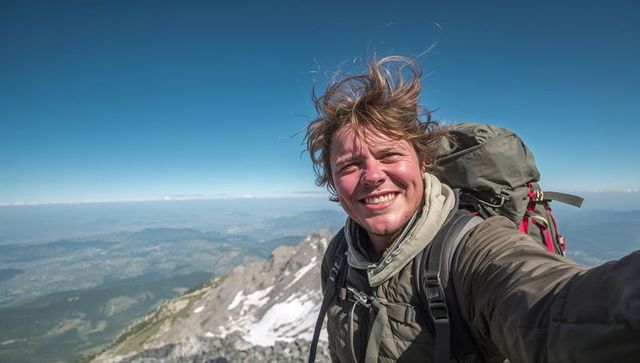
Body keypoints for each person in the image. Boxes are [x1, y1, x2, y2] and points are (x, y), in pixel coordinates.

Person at [305, 56, 639, 363]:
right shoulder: (340, 255)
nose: (374, 176)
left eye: (390, 156)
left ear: (422, 164)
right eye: (349, 165)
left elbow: (555, 309)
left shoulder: (471, 250)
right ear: (333, 182)